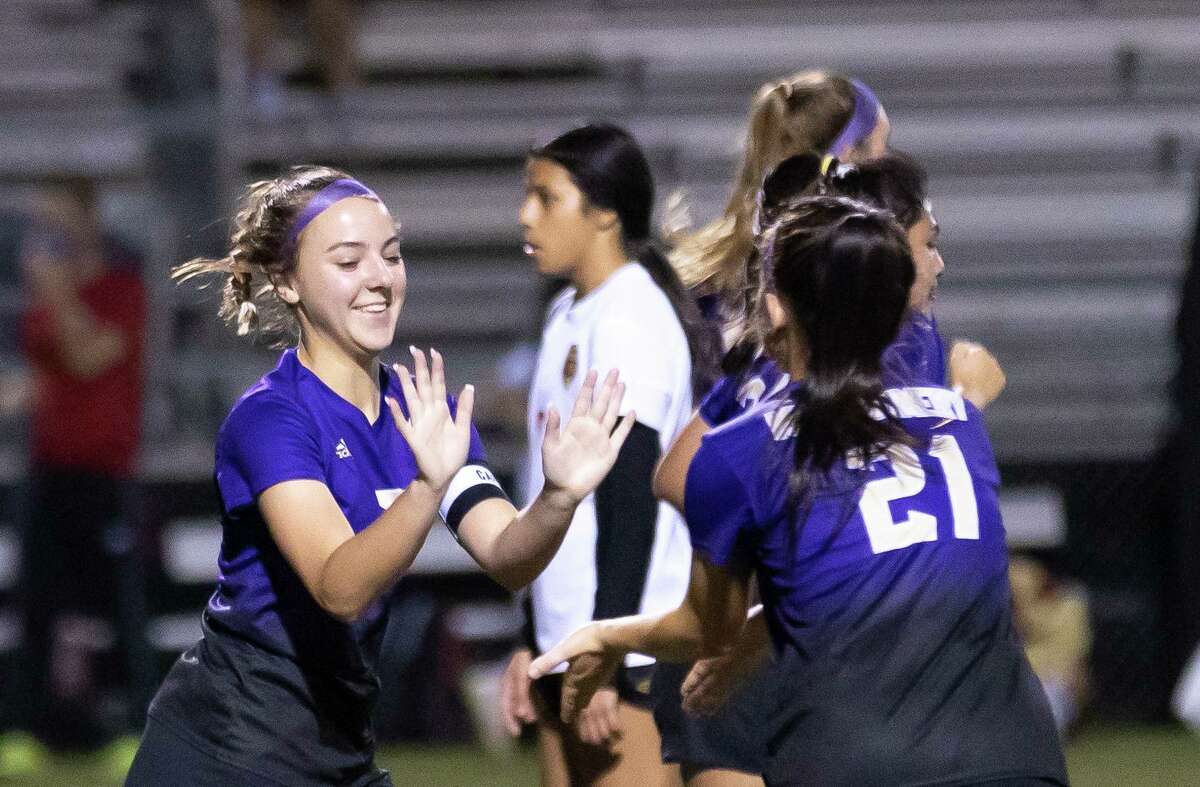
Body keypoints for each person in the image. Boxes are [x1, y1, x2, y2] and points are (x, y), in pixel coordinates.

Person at [530, 195, 1068, 787]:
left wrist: (607, 633)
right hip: (1016, 758)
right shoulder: (962, 422)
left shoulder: (739, 450)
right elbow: (881, 569)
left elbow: (708, 629)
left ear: (776, 308)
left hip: (857, 761)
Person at [124, 165, 635, 786]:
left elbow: (509, 556)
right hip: (228, 754)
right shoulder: (271, 418)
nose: (380, 279)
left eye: (391, 256)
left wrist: (559, 496)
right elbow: (339, 588)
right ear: (287, 281)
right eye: (348, 262)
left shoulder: (426, 415)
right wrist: (424, 488)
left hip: (336, 748)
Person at [651, 150, 1005, 786]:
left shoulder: (771, 349)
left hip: (750, 641)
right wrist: (967, 404)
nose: (934, 262)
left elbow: (677, 473)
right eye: (926, 243)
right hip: (806, 658)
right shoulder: (902, 347)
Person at [500, 123, 719, 786]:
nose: (525, 215)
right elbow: (554, 495)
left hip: (621, 656)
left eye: (546, 198)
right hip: (567, 642)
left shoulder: (630, 317)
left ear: (605, 213)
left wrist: (604, 660)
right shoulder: (570, 310)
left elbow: (632, 503)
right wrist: (530, 637)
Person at [3, 177, 146, 775]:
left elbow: (91, 356)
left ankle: (131, 727)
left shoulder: (121, 291)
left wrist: (58, 294)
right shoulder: (47, 302)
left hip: (105, 474)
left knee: (113, 607)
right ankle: (32, 730)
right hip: (49, 470)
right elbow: (43, 383)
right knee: (38, 605)